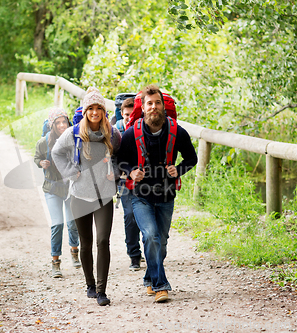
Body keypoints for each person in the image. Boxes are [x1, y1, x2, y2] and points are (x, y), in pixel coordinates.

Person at [117, 84, 197, 303]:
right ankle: (161, 286)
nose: (154, 107)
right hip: (140, 197)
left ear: (163, 106)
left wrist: (178, 170)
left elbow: (192, 158)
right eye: (149, 103)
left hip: (166, 195)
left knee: (160, 243)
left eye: (157, 103)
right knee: (151, 236)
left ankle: (150, 278)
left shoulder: (177, 132)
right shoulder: (132, 133)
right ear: (142, 108)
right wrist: (131, 171)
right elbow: (119, 161)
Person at [52, 87, 121, 306]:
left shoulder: (113, 133)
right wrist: (71, 172)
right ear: (85, 110)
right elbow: (56, 152)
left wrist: (116, 172)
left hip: (104, 196)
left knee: (103, 241)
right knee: (86, 243)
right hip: (79, 196)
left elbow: (123, 158)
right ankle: (90, 284)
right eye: (90, 108)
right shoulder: (73, 133)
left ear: (103, 110)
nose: (94, 112)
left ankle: (102, 291)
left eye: (98, 108)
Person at [34, 107, 81, 278]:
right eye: (58, 122)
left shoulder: (73, 140)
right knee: (57, 223)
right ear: (52, 125)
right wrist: (41, 163)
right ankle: (56, 262)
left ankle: (75, 250)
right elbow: (36, 158)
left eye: (64, 122)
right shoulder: (43, 142)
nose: (62, 125)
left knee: (72, 221)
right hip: (52, 188)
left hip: (69, 187)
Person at [114, 98, 142, 270]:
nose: (128, 118)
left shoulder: (141, 130)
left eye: (132, 115)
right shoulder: (117, 131)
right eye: (125, 115)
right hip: (124, 180)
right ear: (121, 114)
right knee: (130, 215)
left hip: (145, 179)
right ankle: (134, 254)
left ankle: (148, 250)